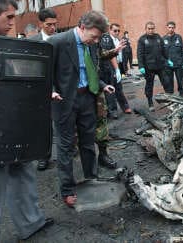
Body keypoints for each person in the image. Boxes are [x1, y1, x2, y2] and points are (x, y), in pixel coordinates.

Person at [0, 1, 54, 241]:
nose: (13, 24)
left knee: (22, 166)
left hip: (14, 118)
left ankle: (30, 222)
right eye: (9, 17)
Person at [48, 10, 116, 207]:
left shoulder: (91, 44)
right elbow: (45, 72)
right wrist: (50, 90)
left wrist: (103, 85)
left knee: (88, 143)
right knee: (66, 146)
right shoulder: (57, 42)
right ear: (82, 27)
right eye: (94, 36)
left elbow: (90, 70)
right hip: (64, 101)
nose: (96, 42)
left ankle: (91, 179)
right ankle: (67, 189)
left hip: (87, 97)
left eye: (98, 38)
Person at [29, 7, 58, 171]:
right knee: (43, 124)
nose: (52, 28)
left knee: (64, 121)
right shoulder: (34, 41)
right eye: (49, 25)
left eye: (55, 24)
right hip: (40, 89)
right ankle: (44, 156)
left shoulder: (61, 39)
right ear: (41, 24)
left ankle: (69, 149)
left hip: (60, 87)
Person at [137, 21, 173, 111]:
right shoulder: (142, 39)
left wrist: (168, 59)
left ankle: (169, 100)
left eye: (152, 28)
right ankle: (150, 103)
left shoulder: (158, 37)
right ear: (146, 29)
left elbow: (164, 50)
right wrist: (141, 66)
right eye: (149, 28)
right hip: (148, 67)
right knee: (149, 85)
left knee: (167, 82)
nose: (151, 30)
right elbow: (140, 54)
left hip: (160, 65)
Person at [100, 23, 131, 119]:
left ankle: (125, 107)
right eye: (115, 30)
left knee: (119, 88)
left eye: (118, 30)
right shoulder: (106, 39)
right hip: (109, 68)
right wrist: (116, 69)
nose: (117, 32)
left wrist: (123, 68)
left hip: (118, 66)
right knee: (111, 90)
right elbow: (111, 56)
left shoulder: (117, 40)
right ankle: (112, 111)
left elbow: (122, 55)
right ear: (110, 30)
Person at [163, 21, 183, 97]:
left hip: (178, 63)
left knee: (180, 80)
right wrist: (165, 62)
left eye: (172, 27)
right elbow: (162, 53)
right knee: (169, 81)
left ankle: (181, 94)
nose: (171, 29)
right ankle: (171, 95)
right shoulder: (163, 39)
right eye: (169, 27)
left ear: (174, 28)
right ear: (167, 28)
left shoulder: (178, 37)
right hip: (168, 64)